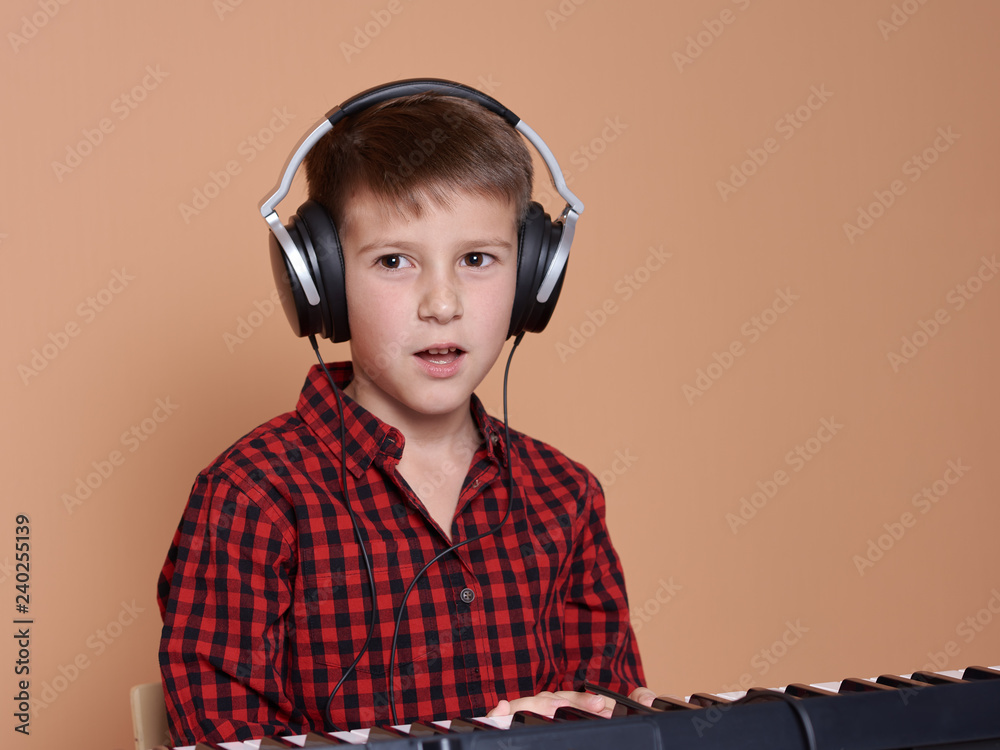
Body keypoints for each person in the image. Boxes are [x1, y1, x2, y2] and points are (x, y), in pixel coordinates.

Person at [157, 80, 656, 745]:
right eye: (394, 261)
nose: (442, 303)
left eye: (477, 259)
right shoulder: (251, 498)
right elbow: (226, 735)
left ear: (534, 276)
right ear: (320, 283)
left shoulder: (565, 495)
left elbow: (609, 714)